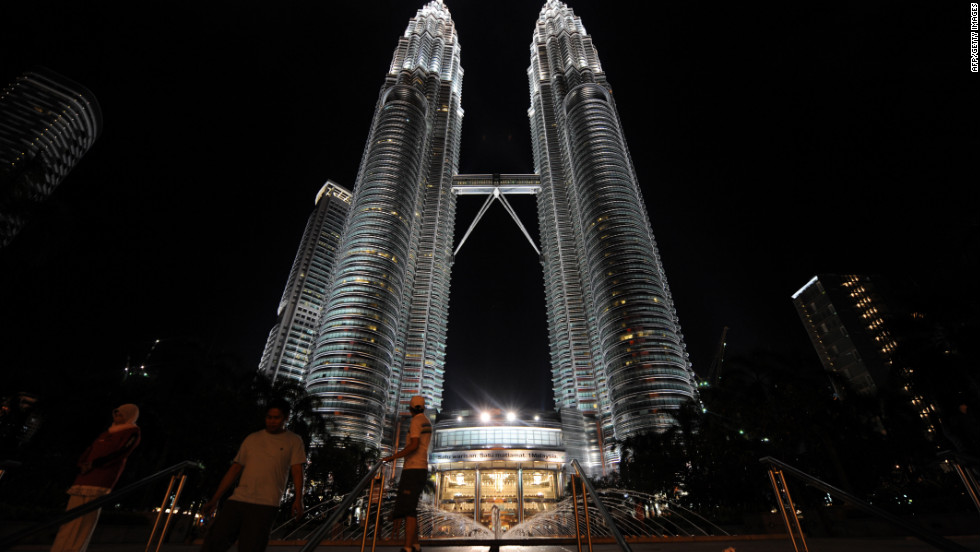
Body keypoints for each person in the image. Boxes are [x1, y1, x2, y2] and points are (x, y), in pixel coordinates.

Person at [199, 400, 306, 552]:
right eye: (269, 417)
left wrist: (298, 499)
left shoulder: (294, 441)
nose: (272, 421)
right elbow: (235, 469)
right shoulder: (252, 438)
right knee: (214, 542)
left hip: (266, 504)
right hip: (238, 499)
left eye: (276, 418)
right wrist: (215, 499)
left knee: (252, 546)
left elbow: (297, 470)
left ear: (286, 418)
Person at [51, 404, 141, 552]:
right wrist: (82, 463)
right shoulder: (107, 432)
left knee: (86, 518)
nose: (116, 418)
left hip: (102, 478)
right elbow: (90, 449)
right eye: (116, 414)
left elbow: (122, 452)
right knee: (71, 516)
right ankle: (60, 548)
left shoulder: (132, 432)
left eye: (121, 415)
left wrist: (96, 463)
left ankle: (75, 549)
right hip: (85, 475)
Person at [381, 396, 432, 552]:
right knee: (411, 508)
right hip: (421, 468)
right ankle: (415, 544)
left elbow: (414, 444)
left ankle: (408, 547)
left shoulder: (416, 421)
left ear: (410, 408)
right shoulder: (427, 421)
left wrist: (392, 457)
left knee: (409, 509)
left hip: (413, 469)